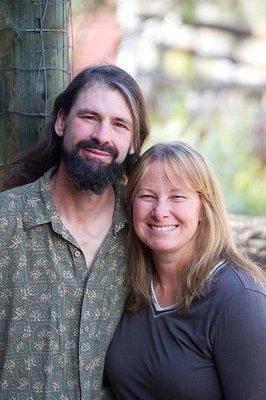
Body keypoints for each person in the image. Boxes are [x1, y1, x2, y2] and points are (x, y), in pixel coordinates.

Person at [0, 64, 149, 399]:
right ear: (61, 121)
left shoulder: (144, 233)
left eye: (119, 124)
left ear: (133, 143)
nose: (102, 135)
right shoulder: (6, 221)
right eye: (89, 117)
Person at [104, 141, 266, 400]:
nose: (160, 212)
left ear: (203, 208)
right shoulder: (124, 283)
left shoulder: (239, 299)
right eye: (147, 196)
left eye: (177, 197)